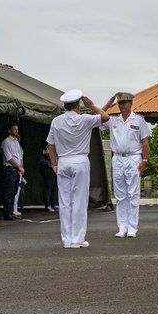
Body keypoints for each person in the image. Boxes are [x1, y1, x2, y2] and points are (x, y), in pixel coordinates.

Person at [47, 90, 109, 249]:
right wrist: (92, 105)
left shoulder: (56, 121)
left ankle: (67, 239)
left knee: (65, 201)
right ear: (79, 106)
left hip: (63, 161)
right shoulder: (85, 119)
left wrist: (54, 164)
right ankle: (78, 238)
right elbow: (105, 117)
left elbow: (51, 145)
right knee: (79, 201)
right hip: (80, 160)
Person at [103, 91, 150, 238]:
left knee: (133, 194)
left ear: (131, 103)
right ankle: (122, 227)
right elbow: (97, 118)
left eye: (125, 103)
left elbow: (145, 142)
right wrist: (107, 105)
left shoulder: (139, 120)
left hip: (133, 158)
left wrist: (144, 161)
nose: (122, 106)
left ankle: (132, 227)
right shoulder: (113, 120)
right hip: (117, 158)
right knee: (120, 195)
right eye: (120, 103)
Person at [1, 123, 25, 220]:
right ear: (9, 131)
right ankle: (7, 213)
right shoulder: (6, 142)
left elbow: (20, 155)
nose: (16, 131)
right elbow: (9, 158)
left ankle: (11, 211)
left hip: (16, 170)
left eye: (17, 129)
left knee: (14, 191)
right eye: (14, 129)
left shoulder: (16, 142)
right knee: (9, 192)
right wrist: (19, 167)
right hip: (10, 169)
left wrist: (21, 167)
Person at [38, 145, 58, 212]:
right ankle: (48, 205)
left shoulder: (56, 148)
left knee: (54, 188)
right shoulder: (46, 148)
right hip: (47, 171)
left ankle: (53, 205)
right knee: (48, 188)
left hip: (54, 171)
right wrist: (49, 164)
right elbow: (41, 160)